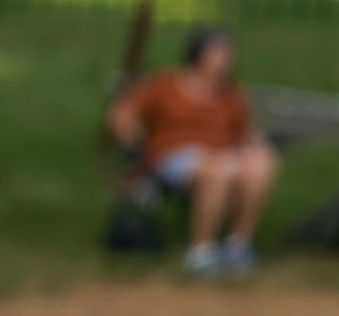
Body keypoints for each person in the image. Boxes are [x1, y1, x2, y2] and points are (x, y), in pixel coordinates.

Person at [106, 27, 278, 276]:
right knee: (215, 171)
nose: (226, 61)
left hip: (221, 155)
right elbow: (121, 114)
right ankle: (201, 252)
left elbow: (246, 133)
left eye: (228, 55)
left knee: (261, 164)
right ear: (199, 56)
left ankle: (238, 245)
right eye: (219, 54)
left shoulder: (229, 93)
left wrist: (255, 149)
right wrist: (136, 144)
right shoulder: (165, 84)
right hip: (173, 157)